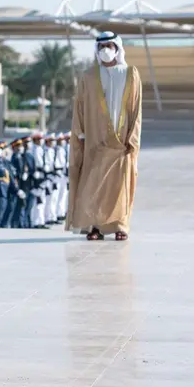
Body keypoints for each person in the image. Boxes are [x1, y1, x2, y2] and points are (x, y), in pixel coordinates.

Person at [66, 31, 142, 241]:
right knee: (94, 185)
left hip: (122, 141)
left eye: (109, 45)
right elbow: (79, 106)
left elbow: (136, 109)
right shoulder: (89, 77)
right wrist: (80, 132)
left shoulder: (130, 73)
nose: (105, 50)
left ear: (117, 48)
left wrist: (133, 137)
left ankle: (120, 226)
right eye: (101, 47)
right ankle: (95, 227)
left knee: (120, 186)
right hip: (95, 141)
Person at [54, 133, 69, 223]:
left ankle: (62, 213)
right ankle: (57, 214)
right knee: (57, 196)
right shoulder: (57, 150)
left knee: (64, 195)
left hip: (64, 174)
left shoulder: (63, 149)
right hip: (58, 175)